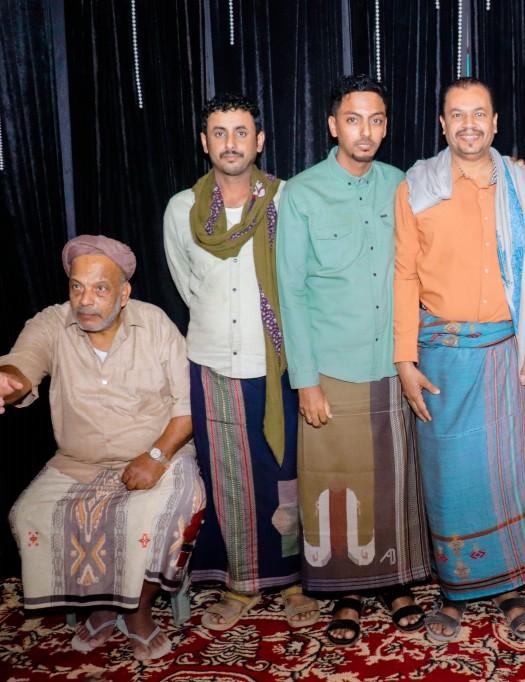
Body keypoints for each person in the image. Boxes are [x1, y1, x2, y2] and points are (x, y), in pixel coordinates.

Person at [276, 75, 430, 645]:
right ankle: (344, 592)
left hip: (392, 362)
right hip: (332, 367)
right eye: (353, 119)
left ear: (386, 126)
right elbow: (291, 291)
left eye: (376, 119)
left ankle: (397, 581)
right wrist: (306, 381)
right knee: (336, 483)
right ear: (332, 125)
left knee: (394, 478)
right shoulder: (302, 193)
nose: (366, 131)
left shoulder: (403, 184)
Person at [393, 77, 525, 642]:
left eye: (479, 113)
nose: (469, 125)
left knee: (506, 475)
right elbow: (404, 276)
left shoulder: (524, 185)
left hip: (507, 351)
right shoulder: (416, 187)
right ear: (442, 124)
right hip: (441, 356)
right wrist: (405, 360)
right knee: (450, 480)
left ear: (495, 122)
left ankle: (510, 588)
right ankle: (456, 591)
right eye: (457, 114)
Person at [4, 235, 205, 661]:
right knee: (29, 513)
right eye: (77, 287)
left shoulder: (154, 324)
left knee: (165, 510)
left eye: (100, 288)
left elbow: (189, 405)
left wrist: (156, 456)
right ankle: (99, 604)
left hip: (160, 454)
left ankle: (137, 609)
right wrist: (8, 382)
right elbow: (22, 364)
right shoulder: (52, 323)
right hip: (78, 461)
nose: (85, 300)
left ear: (123, 293)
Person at [164, 93, 318, 631]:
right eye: (219, 132)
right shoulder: (181, 209)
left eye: (241, 131)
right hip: (213, 362)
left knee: (286, 476)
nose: (231, 143)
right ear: (204, 143)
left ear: (260, 140)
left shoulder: (286, 200)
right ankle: (242, 582)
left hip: (278, 366)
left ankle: (294, 580)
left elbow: (303, 276)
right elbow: (187, 284)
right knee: (229, 478)